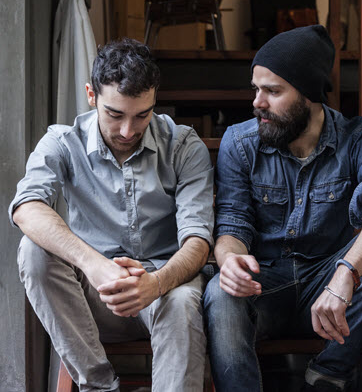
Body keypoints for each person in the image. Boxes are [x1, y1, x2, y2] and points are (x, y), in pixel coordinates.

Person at [203, 25, 362, 392]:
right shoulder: (240, 142)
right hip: (263, 285)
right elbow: (232, 224)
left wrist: (346, 273)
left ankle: (327, 376)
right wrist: (230, 259)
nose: (258, 102)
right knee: (220, 293)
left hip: (330, 285)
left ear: (309, 95)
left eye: (272, 91)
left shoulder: (358, 138)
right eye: (257, 89)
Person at [9, 38, 214, 392]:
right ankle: (100, 387)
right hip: (93, 297)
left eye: (142, 115)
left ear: (154, 100)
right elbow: (26, 207)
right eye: (115, 114)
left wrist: (157, 283)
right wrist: (94, 264)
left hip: (166, 289)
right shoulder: (62, 141)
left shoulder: (183, 145)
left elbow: (198, 240)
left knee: (182, 303)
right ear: (92, 95)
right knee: (33, 251)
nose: (127, 131)